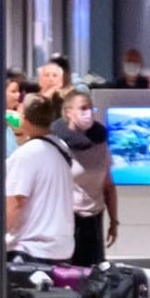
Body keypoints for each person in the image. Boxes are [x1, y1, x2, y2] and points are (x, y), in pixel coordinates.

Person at [5, 96, 76, 263]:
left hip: (29, 251)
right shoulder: (61, 147)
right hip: (62, 250)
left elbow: (15, 202)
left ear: (24, 118)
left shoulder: (25, 155)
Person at [54, 90, 117, 264]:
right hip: (67, 220)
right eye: (82, 108)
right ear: (68, 112)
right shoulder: (59, 145)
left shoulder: (100, 143)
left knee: (94, 277)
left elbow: (108, 186)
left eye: (90, 108)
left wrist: (114, 221)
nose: (87, 113)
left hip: (94, 219)